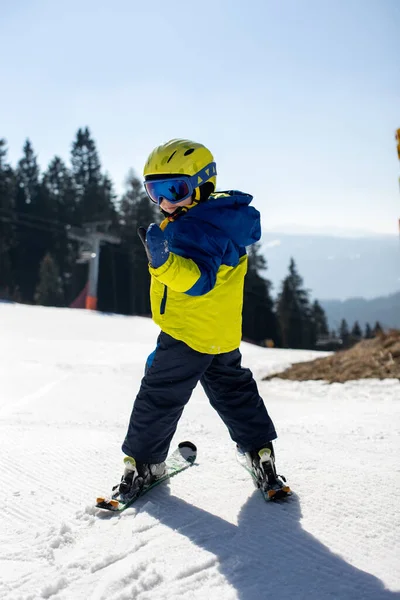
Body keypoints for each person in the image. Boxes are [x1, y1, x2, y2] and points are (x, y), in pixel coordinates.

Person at [119, 138, 290, 500]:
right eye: (155, 191)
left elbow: (198, 279)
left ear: (203, 185)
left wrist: (163, 263)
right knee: (235, 393)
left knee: (159, 396)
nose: (165, 202)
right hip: (222, 335)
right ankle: (260, 453)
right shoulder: (221, 220)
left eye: (175, 189)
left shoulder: (192, 229)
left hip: (185, 334)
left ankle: (145, 464)